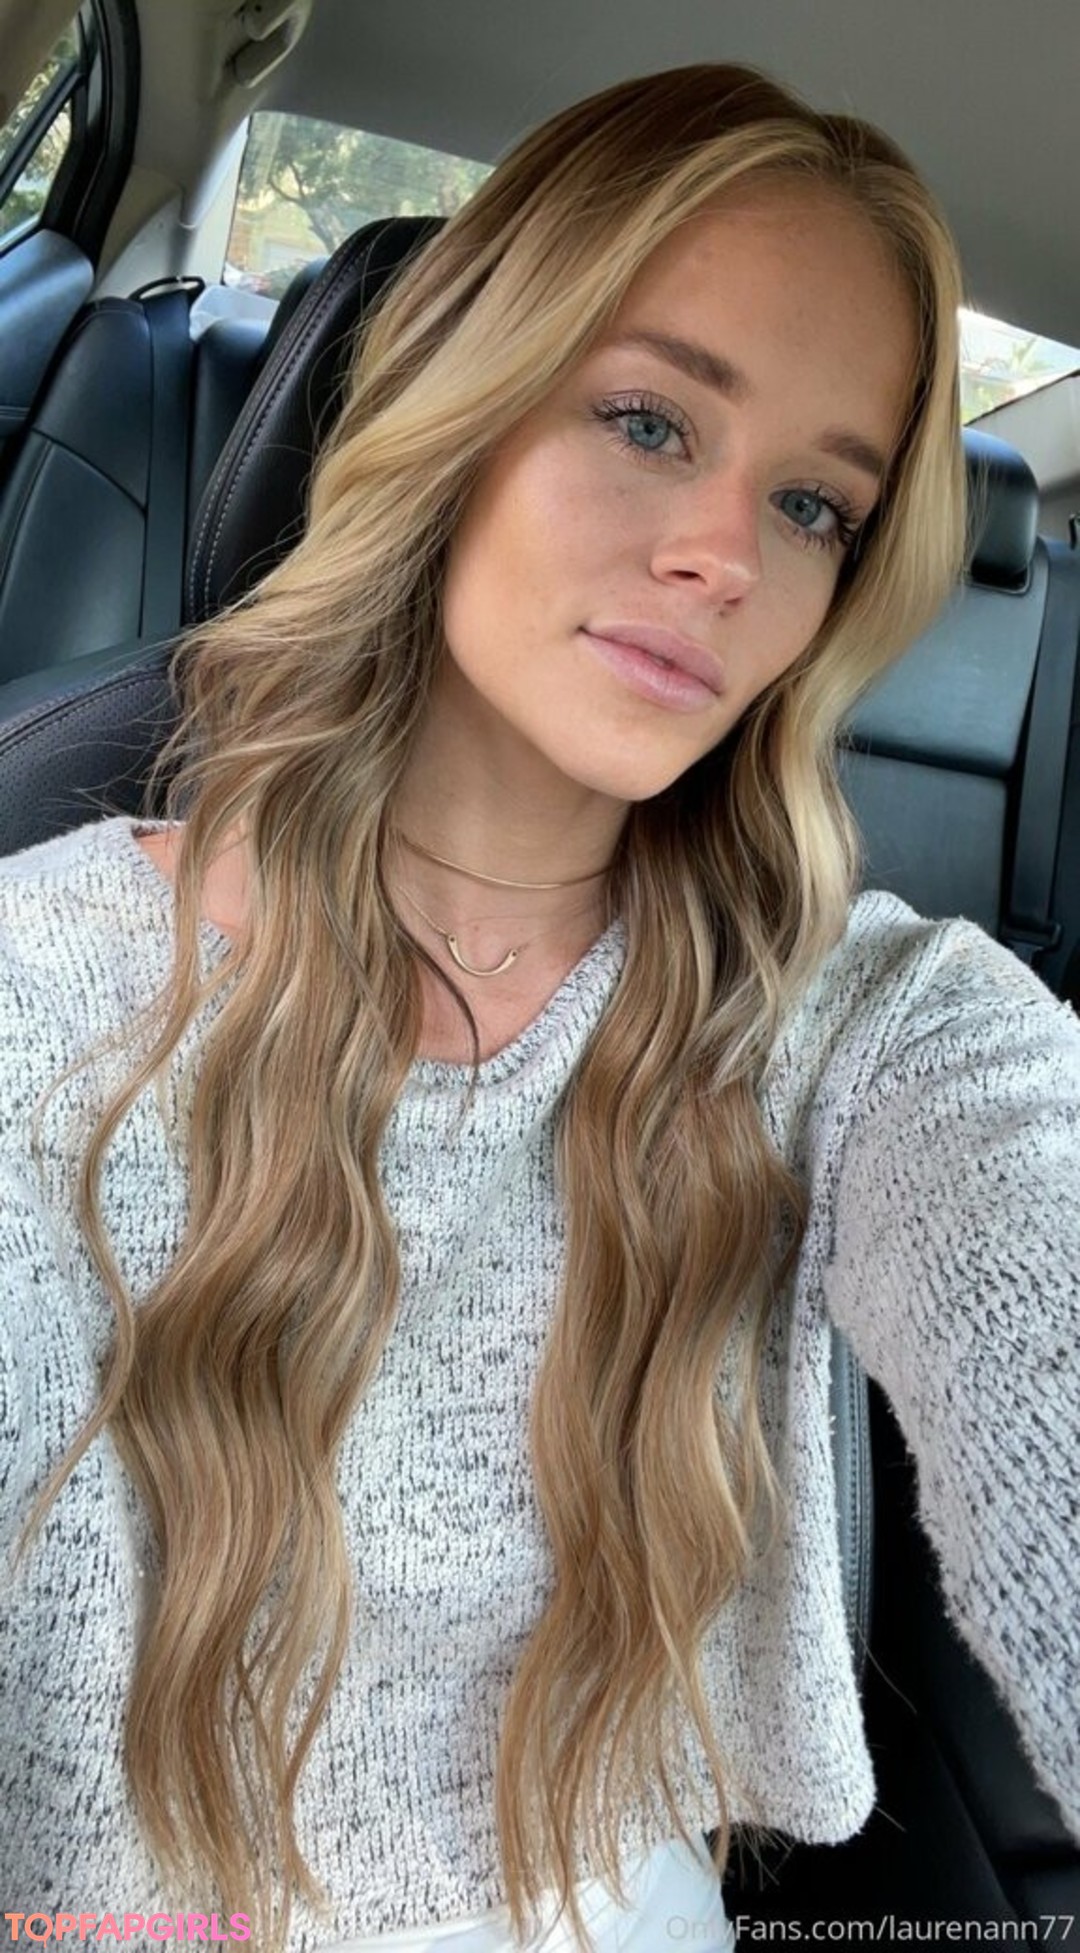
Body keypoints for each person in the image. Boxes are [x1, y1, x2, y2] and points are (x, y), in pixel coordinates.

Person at [1, 58, 1078, 1953]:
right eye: (650, 418)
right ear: (464, 399)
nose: (727, 558)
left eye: (815, 503)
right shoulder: (42, 985)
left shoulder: (867, 1026)